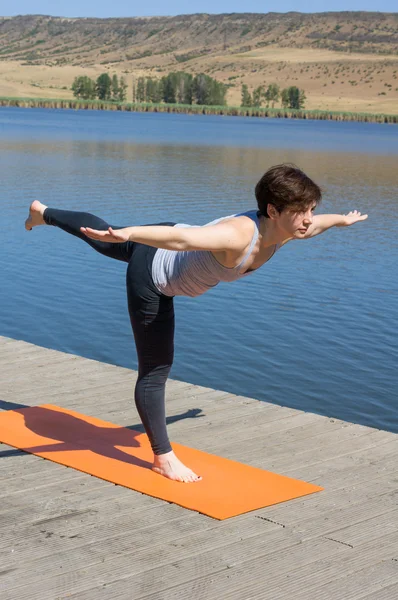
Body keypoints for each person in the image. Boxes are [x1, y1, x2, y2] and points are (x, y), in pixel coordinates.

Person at [25, 163, 368, 483]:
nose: (309, 220)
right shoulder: (236, 235)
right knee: (155, 368)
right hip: (155, 277)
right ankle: (162, 457)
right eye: (302, 212)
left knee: (103, 239)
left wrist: (341, 220)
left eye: (311, 210)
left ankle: (42, 213)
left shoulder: (289, 229)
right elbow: (183, 241)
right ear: (273, 211)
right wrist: (130, 233)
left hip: (166, 238)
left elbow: (315, 227)